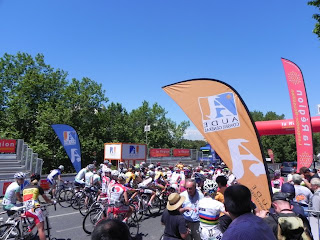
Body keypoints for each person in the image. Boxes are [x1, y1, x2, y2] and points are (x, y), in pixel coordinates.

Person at [23, 174, 55, 240]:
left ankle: (28, 230)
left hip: (26, 209)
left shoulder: (25, 188)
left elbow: (30, 198)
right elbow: (46, 199)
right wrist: (52, 202)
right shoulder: (38, 187)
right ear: (38, 180)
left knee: (35, 219)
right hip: (34, 209)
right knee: (41, 229)